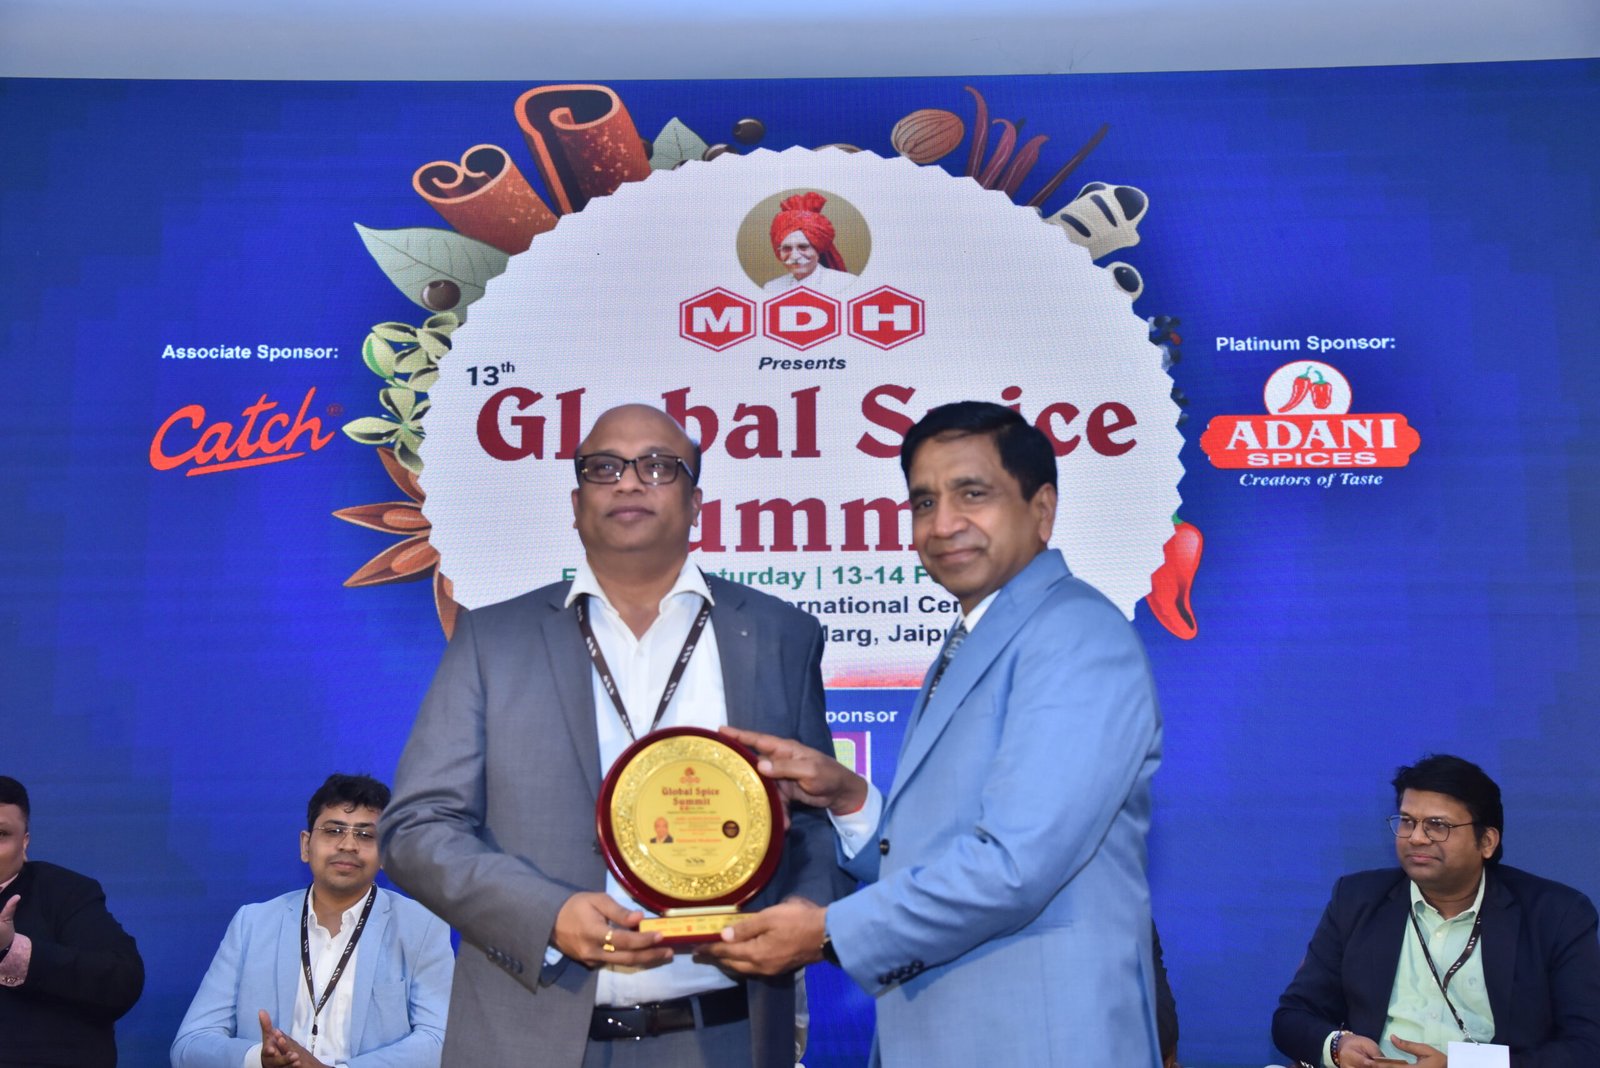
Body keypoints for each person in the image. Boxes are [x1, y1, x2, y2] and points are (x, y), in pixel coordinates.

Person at [380, 403, 846, 1068]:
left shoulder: (779, 635)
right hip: (530, 1041)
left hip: (725, 1037)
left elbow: (813, 823)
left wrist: (807, 911)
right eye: (604, 468)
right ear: (576, 505)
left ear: (696, 503)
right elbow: (418, 826)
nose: (628, 481)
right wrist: (547, 915)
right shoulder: (493, 641)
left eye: (657, 466)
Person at [701, 400, 1166, 1066]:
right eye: (924, 502)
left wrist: (828, 932)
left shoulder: (1075, 636)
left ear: (1041, 509)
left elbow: (1014, 867)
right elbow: (943, 849)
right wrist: (849, 798)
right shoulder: (982, 634)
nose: (943, 524)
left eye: (973, 494)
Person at [1273, 754, 1600, 1068]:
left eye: (1437, 825)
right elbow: (1293, 1016)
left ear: (1487, 841)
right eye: (1407, 821)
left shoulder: (1556, 915)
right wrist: (1338, 1046)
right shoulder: (1356, 900)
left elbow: (1587, 1046)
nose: (1416, 838)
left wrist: (1463, 1066)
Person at [171, 773, 453, 1068]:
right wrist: (259, 1059)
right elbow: (190, 1044)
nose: (348, 845)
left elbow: (441, 1039)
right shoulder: (252, 924)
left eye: (365, 835)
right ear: (306, 845)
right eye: (334, 831)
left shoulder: (421, 927)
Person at [0, 774, 144, 1068]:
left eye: (0, 834)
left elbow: (123, 980)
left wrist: (12, 950)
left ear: (24, 843)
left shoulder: (64, 893)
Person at [761, 191, 855, 293]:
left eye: (803, 247)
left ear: (818, 250)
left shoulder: (846, 284)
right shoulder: (771, 288)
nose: (795, 256)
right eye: (786, 248)